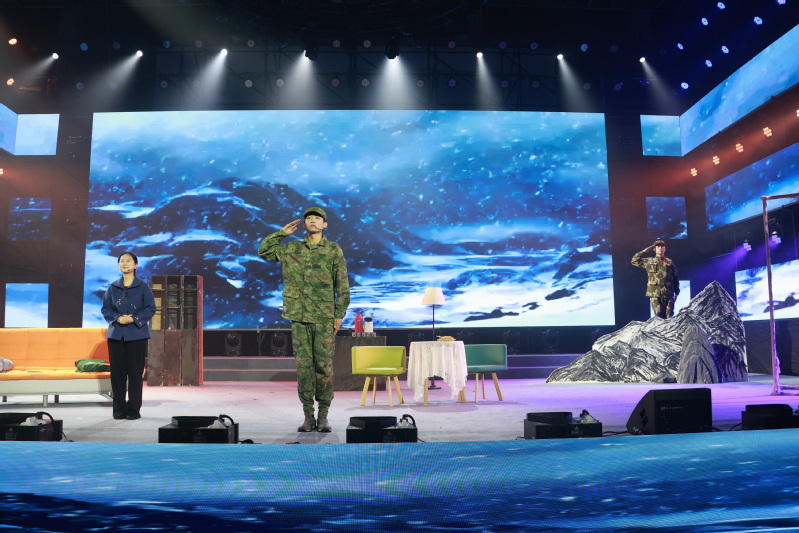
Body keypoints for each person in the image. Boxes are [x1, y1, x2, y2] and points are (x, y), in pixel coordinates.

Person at [258, 207, 350, 433]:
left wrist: (339, 313)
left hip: (323, 316)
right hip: (299, 316)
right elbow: (264, 251)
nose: (312, 221)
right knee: (304, 368)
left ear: (324, 225)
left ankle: (324, 416)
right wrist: (282, 233)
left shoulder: (332, 250)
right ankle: (308, 416)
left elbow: (342, 284)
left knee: (324, 366)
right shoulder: (291, 249)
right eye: (309, 218)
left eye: (317, 218)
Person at [101, 252, 157, 420]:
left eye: (128, 261)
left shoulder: (143, 286)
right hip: (116, 335)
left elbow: (150, 308)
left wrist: (133, 319)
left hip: (137, 335)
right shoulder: (113, 287)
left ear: (135, 265)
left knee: (135, 374)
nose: (124, 263)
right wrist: (118, 318)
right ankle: (118, 409)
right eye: (121, 261)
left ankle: (133, 410)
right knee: (117, 375)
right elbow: (106, 309)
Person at [631, 239, 680, 319]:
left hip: (668, 293)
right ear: (654, 249)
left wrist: (677, 291)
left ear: (665, 248)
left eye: (662, 246)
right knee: (658, 317)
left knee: (670, 317)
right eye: (658, 246)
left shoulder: (670, 262)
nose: (660, 248)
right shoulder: (649, 261)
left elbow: (675, 277)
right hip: (655, 293)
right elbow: (634, 261)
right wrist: (644, 251)